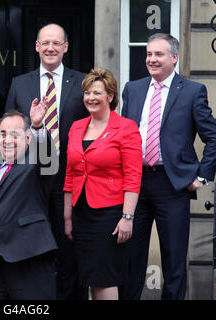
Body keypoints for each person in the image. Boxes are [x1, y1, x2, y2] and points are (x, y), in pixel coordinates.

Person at [119, 33, 216, 300]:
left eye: (158, 54)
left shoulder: (193, 91)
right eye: (149, 54)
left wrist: (202, 177)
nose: (151, 59)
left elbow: (213, 136)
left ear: (174, 57)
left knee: (174, 262)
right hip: (136, 185)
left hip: (172, 184)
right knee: (130, 259)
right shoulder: (133, 89)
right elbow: (124, 136)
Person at [4, 23, 90, 300]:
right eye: (45, 43)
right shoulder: (20, 83)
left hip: (72, 177)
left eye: (57, 43)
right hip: (29, 178)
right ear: (37, 47)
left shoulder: (83, 83)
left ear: (66, 47)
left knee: (69, 244)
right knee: (32, 242)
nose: (51, 48)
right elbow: (9, 130)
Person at [63, 67, 142, 300]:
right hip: (81, 213)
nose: (91, 98)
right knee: (89, 277)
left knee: (104, 277)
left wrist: (127, 217)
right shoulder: (77, 126)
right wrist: (68, 217)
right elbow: (70, 174)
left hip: (109, 214)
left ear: (110, 96)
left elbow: (133, 176)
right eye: (87, 93)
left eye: (97, 92)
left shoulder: (126, 128)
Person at [0, 106, 58, 300]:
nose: (7, 140)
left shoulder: (35, 165)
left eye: (15, 135)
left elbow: (48, 159)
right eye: (3, 134)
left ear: (28, 139)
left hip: (29, 262)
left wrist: (38, 126)